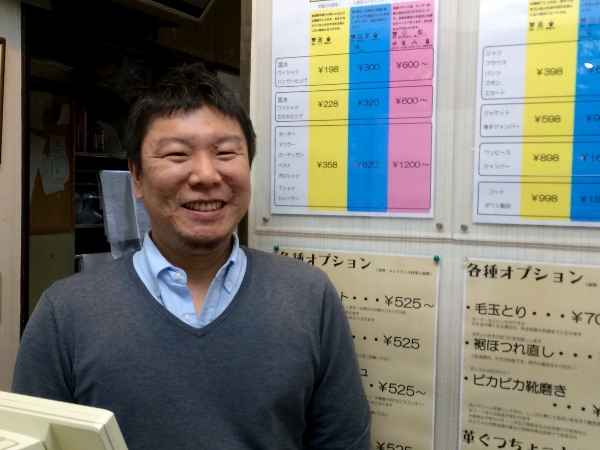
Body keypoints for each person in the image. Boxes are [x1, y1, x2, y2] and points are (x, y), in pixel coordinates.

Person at [12, 63, 371, 449]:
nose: (205, 175)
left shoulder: (309, 296)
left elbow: (343, 441)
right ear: (136, 177)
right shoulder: (65, 313)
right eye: (177, 154)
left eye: (225, 152)